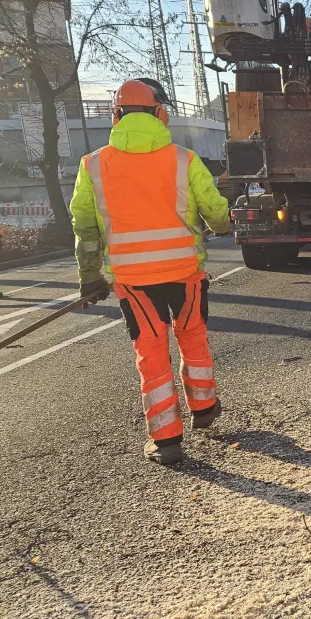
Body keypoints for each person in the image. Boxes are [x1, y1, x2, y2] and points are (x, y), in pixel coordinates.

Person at [70, 78, 231, 465]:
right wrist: (221, 223)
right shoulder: (184, 159)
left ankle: (167, 441)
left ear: (116, 116)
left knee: (151, 352)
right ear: (160, 113)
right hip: (184, 273)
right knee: (193, 337)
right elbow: (215, 212)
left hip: (134, 282)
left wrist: (90, 276)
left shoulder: (92, 164)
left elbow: (85, 226)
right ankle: (205, 408)